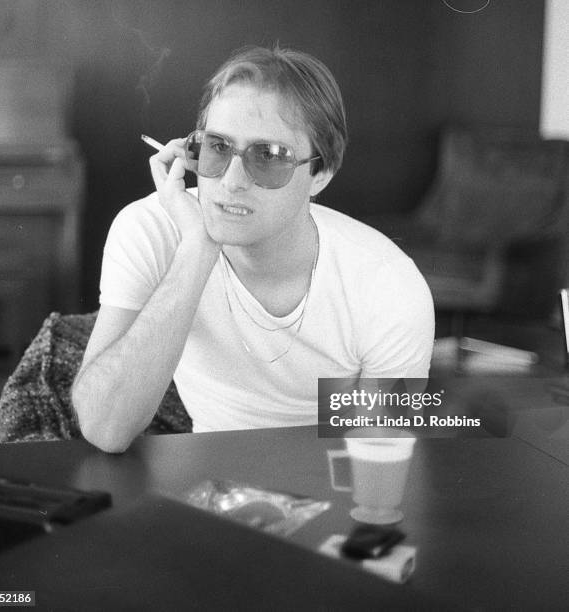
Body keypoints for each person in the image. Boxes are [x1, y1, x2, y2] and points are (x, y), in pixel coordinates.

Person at [72, 45, 434, 453]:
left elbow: (382, 455)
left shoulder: (386, 285)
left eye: (269, 156)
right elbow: (105, 429)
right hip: (207, 480)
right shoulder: (151, 229)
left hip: (327, 480)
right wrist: (198, 247)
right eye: (218, 147)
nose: (231, 181)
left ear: (321, 174)